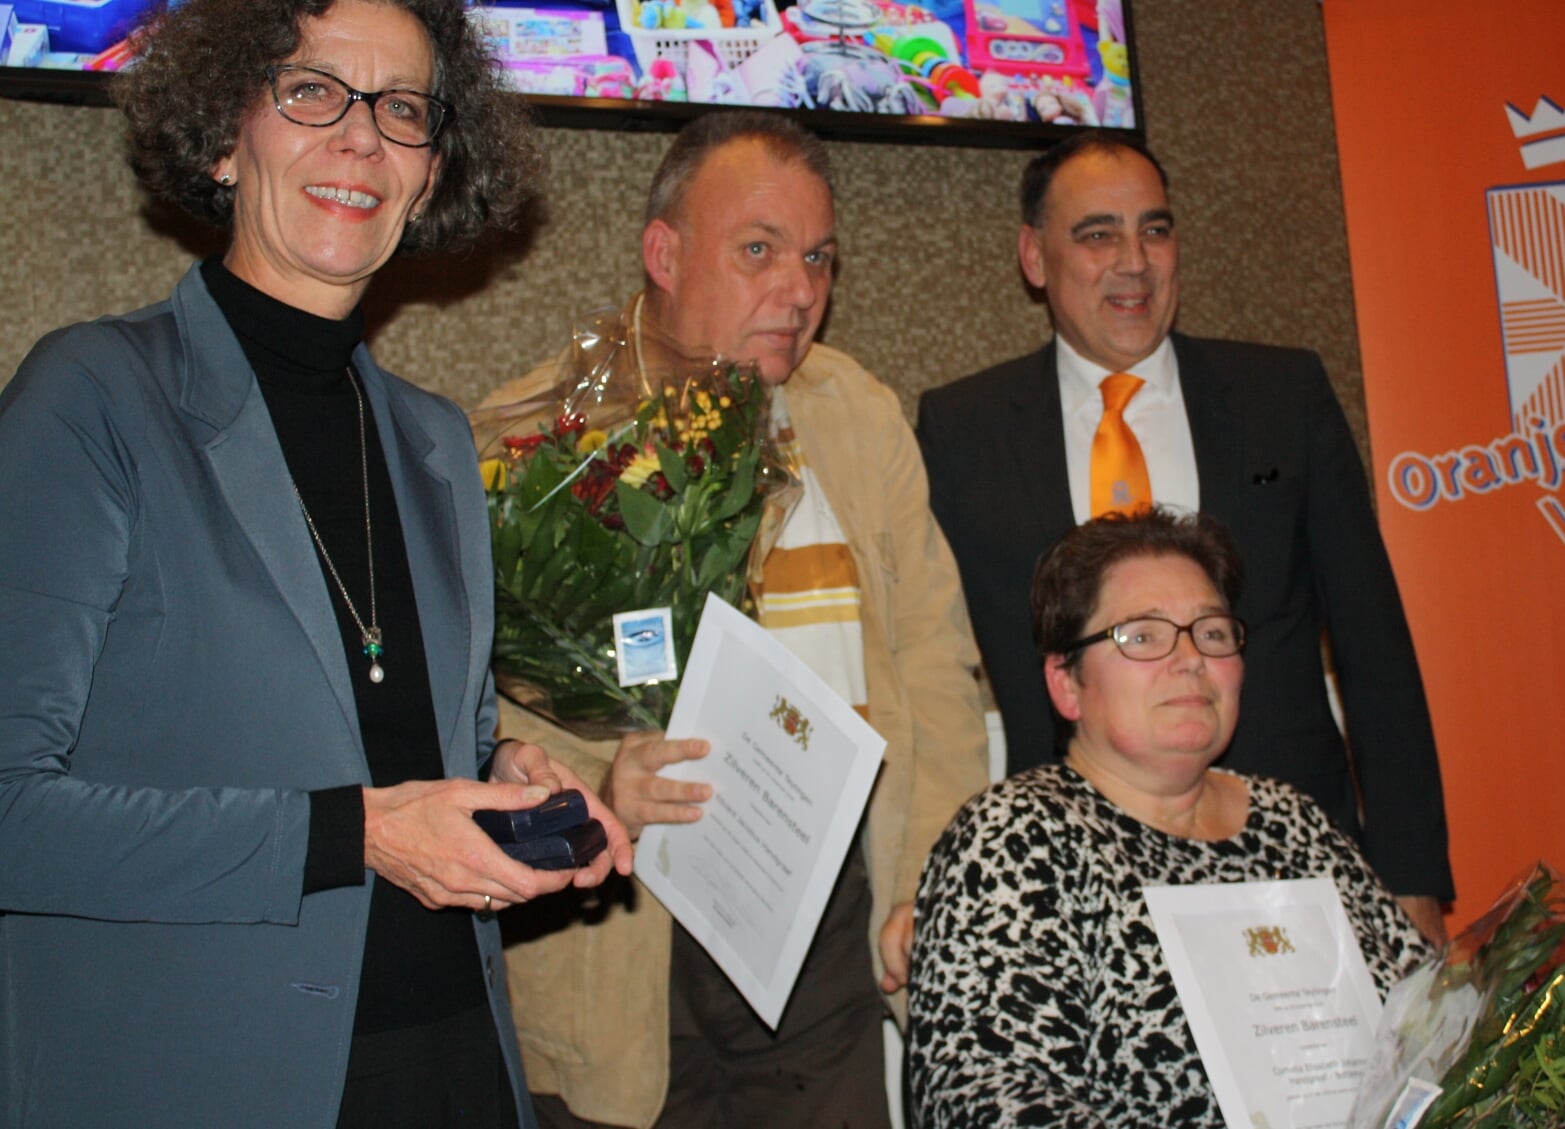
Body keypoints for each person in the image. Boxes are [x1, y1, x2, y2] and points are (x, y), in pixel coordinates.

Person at [0, 2, 634, 1125]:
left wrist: (515, 772)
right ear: (219, 135)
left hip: (454, 1063)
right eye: (311, 91)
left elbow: (405, 736)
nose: (360, 139)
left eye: (401, 109)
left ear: (432, 172)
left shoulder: (435, 442)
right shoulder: (92, 398)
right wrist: (361, 834)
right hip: (198, 1077)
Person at [493, 111, 991, 1129]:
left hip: (822, 931)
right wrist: (594, 787)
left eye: (817, 257)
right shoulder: (531, 438)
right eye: (757, 250)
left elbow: (936, 666)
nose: (799, 290)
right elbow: (476, 717)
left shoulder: (855, 413)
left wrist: (929, 886)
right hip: (616, 937)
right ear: (663, 253)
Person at [915, 132, 1454, 942]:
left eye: (1155, 230)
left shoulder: (1282, 396)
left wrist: (1410, 876)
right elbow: (930, 665)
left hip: (1293, 863)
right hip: (1071, 889)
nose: (1133, 261)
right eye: (1097, 234)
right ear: (1034, 256)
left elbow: (1374, 646)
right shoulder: (963, 431)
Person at [907, 509, 1432, 1126]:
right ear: (1066, 682)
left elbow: (1426, 1023)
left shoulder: (1297, 823)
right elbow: (985, 1097)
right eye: (1143, 636)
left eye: (1210, 633)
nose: (1189, 659)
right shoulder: (1012, 841)